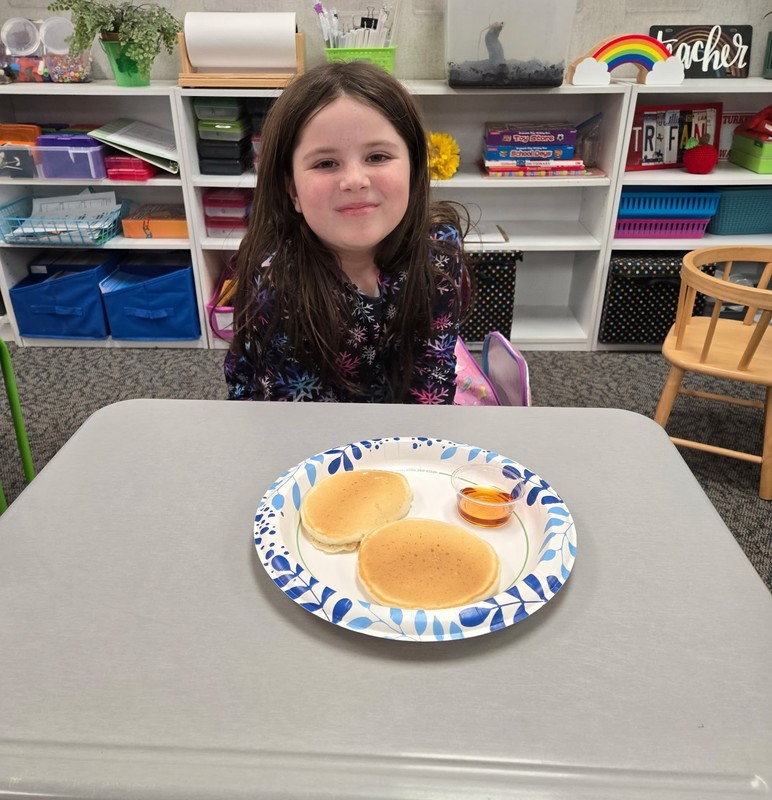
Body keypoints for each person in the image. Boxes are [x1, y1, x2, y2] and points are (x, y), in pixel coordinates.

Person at [223, 60, 469, 404]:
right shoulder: (276, 277)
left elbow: (432, 376)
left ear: (414, 170)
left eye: (378, 156)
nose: (355, 180)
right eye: (326, 163)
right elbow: (291, 417)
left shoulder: (438, 247)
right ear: (292, 189)